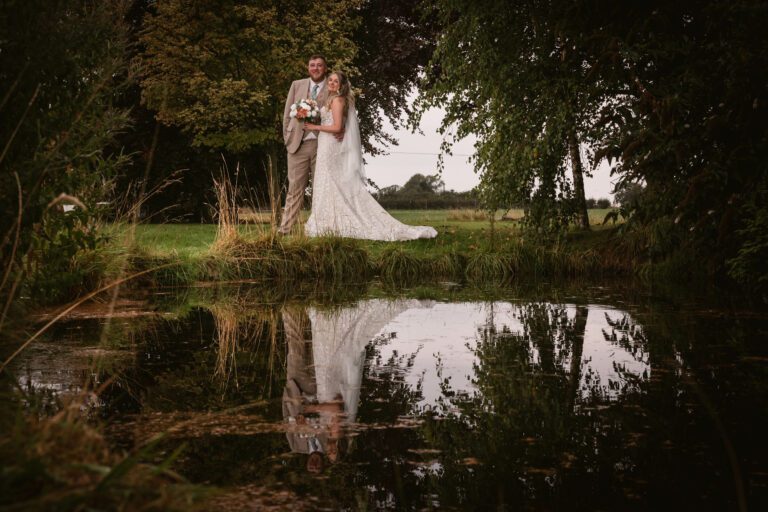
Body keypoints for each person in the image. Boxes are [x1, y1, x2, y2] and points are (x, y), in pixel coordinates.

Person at [303, 71, 438, 241]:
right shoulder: (333, 99)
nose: (331, 83)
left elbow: (337, 127)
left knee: (330, 180)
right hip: (326, 144)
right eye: (330, 79)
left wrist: (315, 128)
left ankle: (332, 222)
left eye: (335, 81)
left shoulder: (338, 100)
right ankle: (326, 220)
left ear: (342, 85)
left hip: (330, 146)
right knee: (328, 181)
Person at [279, 55, 332, 235]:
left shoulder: (332, 86)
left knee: (321, 188)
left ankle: (320, 229)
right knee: (294, 189)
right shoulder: (297, 85)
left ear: (325, 68)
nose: (315, 68)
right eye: (312, 65)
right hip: (297, 145)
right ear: (308, 67)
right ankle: (285, 229)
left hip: (322, 144)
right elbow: (287, 115)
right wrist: (288, 138)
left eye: (319, 65)